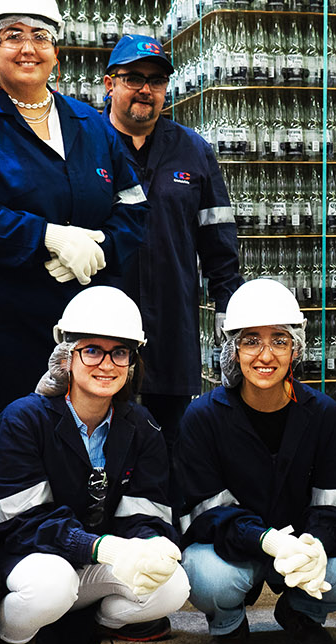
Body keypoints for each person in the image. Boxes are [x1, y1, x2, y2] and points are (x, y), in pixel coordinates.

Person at [0, 0, 148, 474]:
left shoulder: (90, 125)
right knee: (7, 454)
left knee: (81, 451)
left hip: (83, 332)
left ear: (56, 52)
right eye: (12, 34)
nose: (28, 47)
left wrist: (97, 250)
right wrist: (47, 237)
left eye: (41, 36)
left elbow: (134, 205)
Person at [0, 286, 188, 644]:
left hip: (94, 561)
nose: (106, 364)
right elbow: (22, 522)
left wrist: (153, 544)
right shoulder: (23, 420)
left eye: (120, 353)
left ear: (133, 362)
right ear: (66, 357)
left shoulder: (141, 426)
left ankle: (81, 637)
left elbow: (145, 507)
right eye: (92, 350)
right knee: (52, 583)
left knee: (171, 585)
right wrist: (102, 546)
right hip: (28, 560)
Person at [172, 278, 336, 644]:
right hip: (234, 550)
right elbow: (205, 514)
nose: (264, 355)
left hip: (301, 552)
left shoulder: (323, 416)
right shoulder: (203, 418)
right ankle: (227, 625)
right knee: (203, 573)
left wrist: (315, 545)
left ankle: (301, 612)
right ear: (232, 350)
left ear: (296, 348)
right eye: (251, 340)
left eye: (279, 340)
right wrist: (266, 539)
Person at [101, 33, 243, 445]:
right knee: (101, 438)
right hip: (103, 323)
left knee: (172, 444)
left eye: (157, 80)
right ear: (110, 84)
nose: (146, 89)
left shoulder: (193, 150)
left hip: (172, 325)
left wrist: (226, 304)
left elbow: (218, 235)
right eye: (133, 78)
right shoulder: (85, 143)